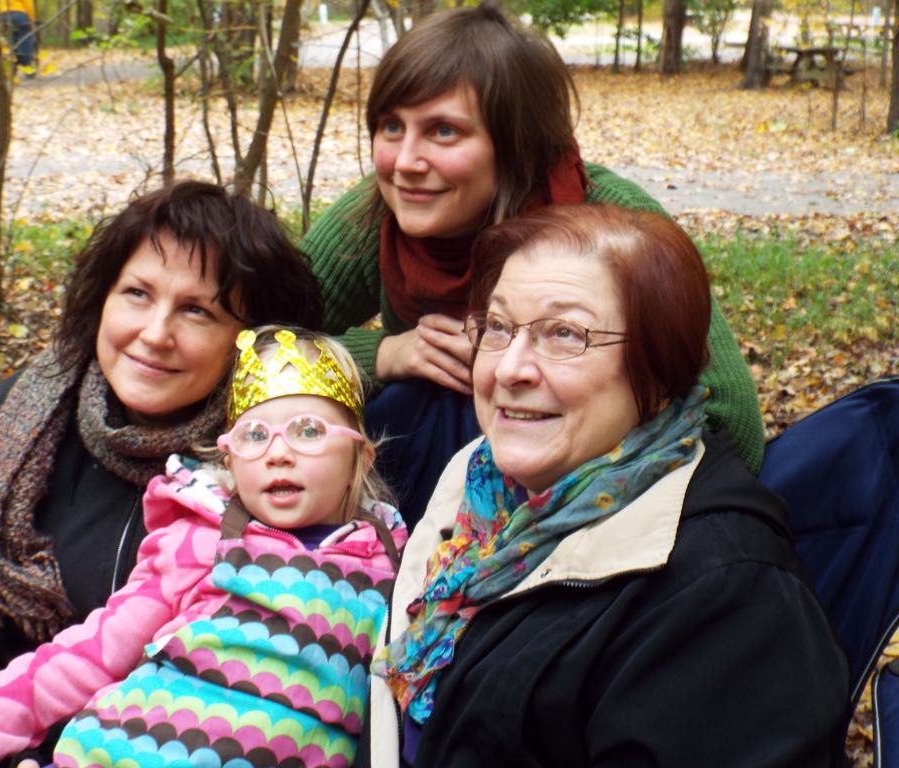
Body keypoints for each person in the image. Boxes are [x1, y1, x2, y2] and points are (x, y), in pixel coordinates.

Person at [362, 204, 849, 767]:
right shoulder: (479, 491)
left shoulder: (728, 600)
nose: (509, 368)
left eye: (564, 334)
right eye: (497, 327)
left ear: (660, 370)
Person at [0, 180, 326, 768]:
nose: (154, 333)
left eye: (197, 310)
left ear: (250, 344)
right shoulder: (24, 412)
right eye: (138, 294)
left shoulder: (281, 470)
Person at [300, 3, 765, 526]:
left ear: (516, 145)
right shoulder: (378, 214)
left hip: (594, 511)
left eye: (444, 131)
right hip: (433, 500)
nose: (405, 161)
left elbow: (731, 421)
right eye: (390, 126)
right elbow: (249, 338)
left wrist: (589, 505)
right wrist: (383, 353)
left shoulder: (612, 226)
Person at [0, 326, 408, 768]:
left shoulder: (391, 566)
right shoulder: (203, 539)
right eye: (254, 436)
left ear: (359, 458)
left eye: (309, 431)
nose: (278, 452)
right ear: (229, 459)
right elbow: (101, 645)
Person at [0, 0, 37, 70]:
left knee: (12, 34)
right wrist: (32, 20)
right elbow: (29, 5)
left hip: (4, 15)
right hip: (19, 14)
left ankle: (12, 57)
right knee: (26, 35)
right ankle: (26, 62)